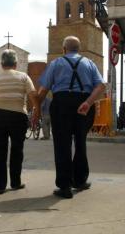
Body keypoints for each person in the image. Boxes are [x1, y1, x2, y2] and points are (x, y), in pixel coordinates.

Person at [36, 36, 105, 199]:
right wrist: (88, 102)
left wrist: (36, 107)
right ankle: (80, 180)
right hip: (84, 104)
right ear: (78, 49)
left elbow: (44, 89)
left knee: (62, 145)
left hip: (61, 104)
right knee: (80, 142)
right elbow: (101, 85)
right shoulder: (89, 63)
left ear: (64, 49)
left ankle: (65, 186)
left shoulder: (56, 63)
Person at [0, 49, 37, 194]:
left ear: (1, 64)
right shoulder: (24, 77)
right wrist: (36, 112)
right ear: (16, 63)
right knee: (17, 150)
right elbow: (33, 95)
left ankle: (0, 186)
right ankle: (15, 182)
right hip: (18, 115)